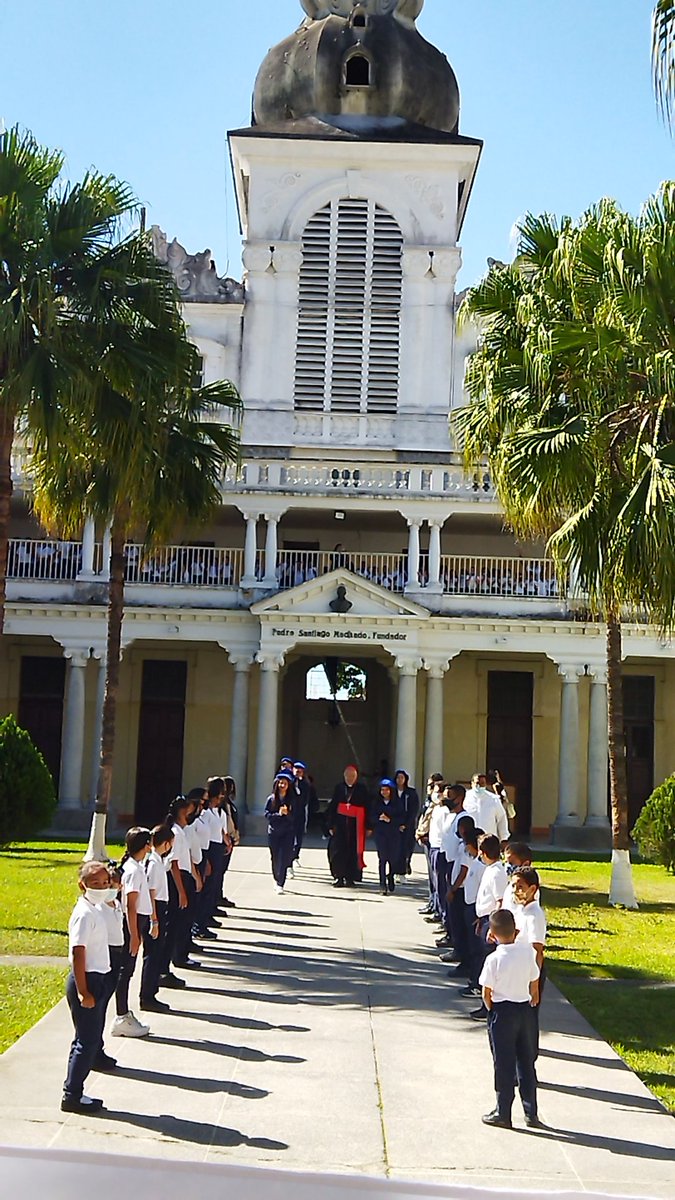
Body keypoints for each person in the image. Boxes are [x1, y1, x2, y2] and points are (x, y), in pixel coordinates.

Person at [479, 908, 541, 1129]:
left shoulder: (493, 959)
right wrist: (532, 996)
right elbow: (534, 980)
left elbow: (486, 992)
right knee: (526, 1061)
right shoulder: (527, 953)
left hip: (502, 1011)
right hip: (524, 1010)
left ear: (492, 934)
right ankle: (531, 1112)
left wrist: (491, 1009)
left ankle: (503, 1111)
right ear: (516, 931)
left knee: (503, 1063)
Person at [62, 861, 113, 1113]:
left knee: (85, 1038)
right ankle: (72, 1095)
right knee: (88, 1041)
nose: (102, 887)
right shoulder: (84, 914)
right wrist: (84, 992)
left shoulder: (96, 908)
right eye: (95, 883)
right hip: (87, 980)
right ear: (82, 885)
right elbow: (78, 953)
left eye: (105, 882)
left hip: (97, 978)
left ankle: (74, 1090)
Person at [112, 828, 153, 1038]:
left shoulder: (136, 866)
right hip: (132, 924)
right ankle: (121, 1015)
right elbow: (130, 905)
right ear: (146, 845)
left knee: (128, 970)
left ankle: (124, 1013)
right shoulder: (133, 870)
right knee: (125, 970)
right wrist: (134, 934)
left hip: (138, 922)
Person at [466, 834, 508, 1019]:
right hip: (483, 919)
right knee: (481, 958)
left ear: (482, 852)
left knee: (488, 963)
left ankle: (488, 1005)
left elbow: (500, 901)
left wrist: (493, 926)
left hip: (491, 921)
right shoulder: (490, 869)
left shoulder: (497, 872)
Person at [140, 824, 174, 1013]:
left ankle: (152, 991)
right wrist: (154, 920)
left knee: (157, 952)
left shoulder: (158, 860)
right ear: (166, 843)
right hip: (155, 909)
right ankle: (147, 996)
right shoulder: (153, 863)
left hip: (160, 907)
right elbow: (151, 892)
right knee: (152, 955)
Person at [166, 794, 202, 971]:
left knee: (185, 920)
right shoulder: (176, 833)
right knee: (178, 922)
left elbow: (187, 857)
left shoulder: (181, 831)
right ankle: (178, 956)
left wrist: (196, 876)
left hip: (186, 875)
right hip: (179, 878)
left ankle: (182, 954)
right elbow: (174, 864)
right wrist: (181, 891)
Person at [94, 866, 124, 1072]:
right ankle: (95, 1051)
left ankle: (98, 1048)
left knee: (105, 1004)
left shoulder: (117, 904)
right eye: (108, 885)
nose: (111, 889)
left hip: (117, 954)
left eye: (114, 885)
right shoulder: (98, 909)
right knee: (99, 1006)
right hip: (106, 955)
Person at [325, 764, 371, 887]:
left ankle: (351, 878)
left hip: (355, 826)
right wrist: (330, 825)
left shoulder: (362, 789)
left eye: (352, 776)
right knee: (337, 852)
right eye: (348, 776)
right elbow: (333, 806)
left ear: (356, 777)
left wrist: (369, 826)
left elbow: (367, 807)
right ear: (344, 776)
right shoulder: (339, 788)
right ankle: (338, 877)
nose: (350, 778)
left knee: (353, 852)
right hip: (340, 826)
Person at [371, 779, 405, 895]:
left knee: (393, 858)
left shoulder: (397, 803)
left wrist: (390, 820)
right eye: (382, 790)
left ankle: (390, 876)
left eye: (386, 790)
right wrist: (378, 818)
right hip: (380, 834)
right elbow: (371, 817)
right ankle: (382, 884)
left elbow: (402, 818)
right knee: (382, 859)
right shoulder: (376, 803)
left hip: (393, 834)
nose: (384, 792)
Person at [416, 774, 444, 915]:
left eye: (433, 786)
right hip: (427, 839)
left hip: (433, 840)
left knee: (436, 877)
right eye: (429, 785)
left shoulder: (438, 803)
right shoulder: (428, 800)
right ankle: (431, 902)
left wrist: (422, 833)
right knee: (431, 876)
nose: (430, 788)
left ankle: (437, 906)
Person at [265, 771, 296, 893]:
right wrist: (279, 814)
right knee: (275, 857)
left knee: (284, 857)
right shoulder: (271, 799)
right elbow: (267, 815)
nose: (282, 785)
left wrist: (287, 814)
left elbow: (295, 818)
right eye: (280, 783)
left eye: (285, 783)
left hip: (287, 832)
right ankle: (276, 877)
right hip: (274, 832)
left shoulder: (292, 800)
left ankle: (280, 883)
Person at [464, 773, 509, 844]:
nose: (479, 786)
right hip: (469, 841)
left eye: (482, 783)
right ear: (472, 783)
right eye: (477, 783)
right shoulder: (465, 798)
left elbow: (501, 819)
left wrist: (504, 838)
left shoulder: (494, 799)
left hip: (489, 841)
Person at [392, 768, 420, 883]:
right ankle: (394, 872)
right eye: (398, 778)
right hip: (394, 825)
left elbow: (414, 810)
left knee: (405, 849)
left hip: (407, 826)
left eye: (402, 778)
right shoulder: (392, 792)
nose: (400, 780)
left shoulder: (411, 793)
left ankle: (402, 872)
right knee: (394, 850)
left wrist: (406, 824)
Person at [292, 761, 310, 867]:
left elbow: (306, 798)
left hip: (300, 813)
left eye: (300, 770)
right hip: (290, 813)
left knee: (299, 835)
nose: (298, 771)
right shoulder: (289, 782)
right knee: (290, 835)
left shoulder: (305, 784)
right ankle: (289, 857)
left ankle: (296, 856)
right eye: (296, 769)